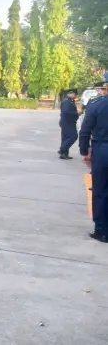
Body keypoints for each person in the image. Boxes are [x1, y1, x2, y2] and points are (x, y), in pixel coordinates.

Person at [79, 81, 108, 243]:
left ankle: (102, 231)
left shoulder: (97, 105)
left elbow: (85, 130)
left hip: (102, 151)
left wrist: (85, 151)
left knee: (100, 191)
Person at [58, 88, 79, 159]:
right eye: (74, 94)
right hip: (67, 122)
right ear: (70, 93)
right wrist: (77, 113)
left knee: (66, 137)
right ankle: (62, 149)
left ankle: (64, 154)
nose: (75, 96)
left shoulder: (69, 101)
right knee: (73, 136)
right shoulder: (67, 102)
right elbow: (66, 112)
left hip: (67, 122)